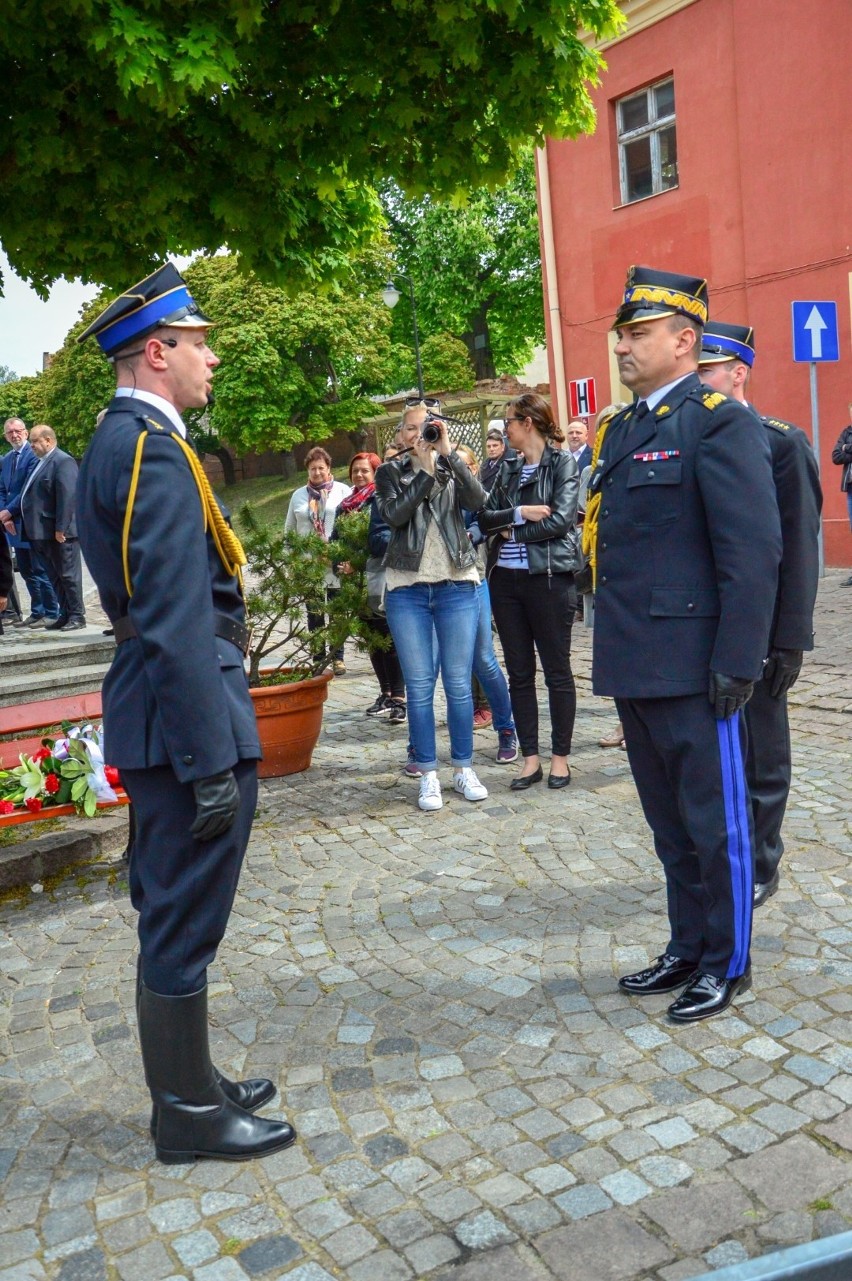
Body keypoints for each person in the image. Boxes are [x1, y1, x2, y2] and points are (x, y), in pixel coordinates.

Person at [75, 262, 295, 1164]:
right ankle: (186, 1116)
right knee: (178, 917)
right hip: (183, 721)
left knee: (181, 911)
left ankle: (194, 1084)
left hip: (177, 708)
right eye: (200, 343)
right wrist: (210, 761)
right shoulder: (144, 447)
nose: (213, 359)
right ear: (157, 352)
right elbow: (169, 613)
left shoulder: (139, 439)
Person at [588, 265, 782, 1023]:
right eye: (623, 334)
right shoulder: (629, 426)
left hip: (700, 668)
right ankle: (686, 945)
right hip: (637, 661)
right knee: (670, 824)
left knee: (716, 822)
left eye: (637, 334)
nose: (623, 347)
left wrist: (740, 659)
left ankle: (727, 962)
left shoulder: (718, 420)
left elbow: (752, 551)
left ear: (684, 340)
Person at [699, 321, 822, 907]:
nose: (696, 382)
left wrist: (791, 638)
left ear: (737, 373)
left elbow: (799, 545)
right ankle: (722, 857)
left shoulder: (781, 442)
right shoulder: (695, 436)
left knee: (762, 750)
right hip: (702, 625)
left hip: (764, 628)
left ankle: (762, 861)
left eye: (706, 371)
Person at [375, 399, 488, 812]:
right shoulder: (389, 472)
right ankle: (427, 774)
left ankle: (462, 767)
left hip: (456, 584)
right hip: (407, 588)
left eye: (427, 427)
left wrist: (449, 457)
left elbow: (478, 502)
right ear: (402, 435)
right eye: (411, 428)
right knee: (420, 687)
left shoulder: (452, 464)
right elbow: (395, 516)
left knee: (459, 684)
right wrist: (422, 473)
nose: (418, 434)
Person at [479, 393, 580, 790]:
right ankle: (530, 759)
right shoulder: (506, 469)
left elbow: (561, 520)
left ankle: (560, 758)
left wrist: (513, 530)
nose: (505, 429)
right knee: (519, 673)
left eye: (510, 421)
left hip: (550, 580)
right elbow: (486, 517)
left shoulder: (562, 464)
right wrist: (518, 515)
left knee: (557, 671)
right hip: (506, 582)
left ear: (529, 422)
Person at [455, 444, 518, 764]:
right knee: (449, 666)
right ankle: (450, 742)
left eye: (465, 466)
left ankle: (507, 727)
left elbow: (485, 519)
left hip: (474, 580)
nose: (458, 471)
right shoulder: (438, 485)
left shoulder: (479, 493)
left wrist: (471, 534)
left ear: (474, 468)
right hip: (438, 584)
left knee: (483, 658)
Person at [333, 451, 406, 722]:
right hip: (354, 583)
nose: (360, 475)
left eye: (365, 470)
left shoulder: (380, 500)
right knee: (371, 639)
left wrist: (357, 562)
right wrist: (339, 562)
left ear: (376, 473)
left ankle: (399, 697)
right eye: (355, 471)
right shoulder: (345, 505)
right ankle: (385, 692)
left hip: (380, 577)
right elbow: (335, 540)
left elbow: (382, 541)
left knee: (388, 638)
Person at [284, 446, 351, 674]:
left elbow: (352, 524)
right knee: (314, 612)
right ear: (307, 471)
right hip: (308, 561)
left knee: (337, 610)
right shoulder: (298, 495)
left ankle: (337, 657)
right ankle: (318, 657)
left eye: (321, 467)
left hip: (334, 561)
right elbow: (289, 531)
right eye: (313, 468)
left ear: (329, 468)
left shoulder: (343, 491)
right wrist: (291, 561)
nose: (317, 472)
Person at [19, 425, 86, 631]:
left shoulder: (62, 461)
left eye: (35, 441)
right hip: (42, 533)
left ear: (48, 440)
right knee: (55, 575)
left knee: (68, 575)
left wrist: (61, 528)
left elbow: (67, 498)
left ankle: (77, 615)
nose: (31, 446)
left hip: (59, 533)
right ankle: (65, 613)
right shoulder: (42, 462)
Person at [0, 418, 61, 627]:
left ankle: (52, 611)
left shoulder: (33, 455)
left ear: (25, 433)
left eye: (18, 431)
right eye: (10, 433)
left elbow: (28, 488)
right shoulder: (7, 459)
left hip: (31, 522)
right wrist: (3, 513)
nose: (14, 435)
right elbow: (2, 489)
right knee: (26, 570)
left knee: (40, 569)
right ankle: (37, 611)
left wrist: (9, 511)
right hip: (12, 524)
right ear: (5, 436)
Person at [831, 403, 852, 585]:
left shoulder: (847, 439)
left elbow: (843, 451)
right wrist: (844, 448)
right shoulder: (846, 432)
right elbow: (836, 456)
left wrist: (848, 448)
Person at [479, 425, 507, 492]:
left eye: (495, 446)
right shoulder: (483, 466)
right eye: (488, 446)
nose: (491, 449)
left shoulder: (507, 465)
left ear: (502, 447)